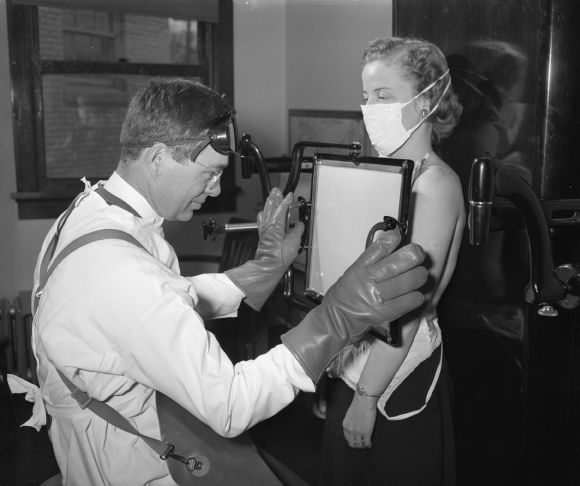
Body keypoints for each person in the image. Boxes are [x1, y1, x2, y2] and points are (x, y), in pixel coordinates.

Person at [28, 78, 429, 485]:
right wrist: (334, 321)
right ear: (158, 158)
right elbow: (231, 405)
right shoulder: (123, 274)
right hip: (129, 463)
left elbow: (160, 307)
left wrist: (263, 270)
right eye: (210, 173)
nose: (217, 189)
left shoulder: (92, 210)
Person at [318, 37, 465, 486]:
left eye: (384, 97)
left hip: (394, 375)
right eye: (366, 97)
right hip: (355, 362)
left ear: (426, 102)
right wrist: (331, 368)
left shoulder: (434, 185)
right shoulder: (385, 173)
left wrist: (365, 398)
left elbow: (410, 308)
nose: (370, 109)